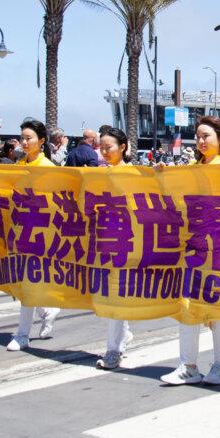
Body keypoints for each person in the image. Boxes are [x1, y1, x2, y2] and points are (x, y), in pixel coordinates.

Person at [160, 115, 220, 386]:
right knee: (188, 306)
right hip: (193, 245)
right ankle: (188, 366)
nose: (201, 141)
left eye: (207, 136)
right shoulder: (190, 169)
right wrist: (161, 175)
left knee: (218, 309)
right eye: (199, 136)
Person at [7, 119, 62, 351]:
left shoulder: (47, 167)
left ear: (41, 141)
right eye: (22, 138)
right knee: (22, 281)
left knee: (28, 282)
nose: (24, 142)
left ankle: (22, 334)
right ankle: (46, 311)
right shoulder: (18, 164)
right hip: (18, 228)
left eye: (29, 138)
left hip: (39, 231)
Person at [95, 127, 137, 369]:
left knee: (117, 295)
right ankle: (123, 335)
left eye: (108, 147)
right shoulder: (98, 173)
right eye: (101, 147)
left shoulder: (131, 173)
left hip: (124, 241)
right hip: (103, 239)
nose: (104, 151)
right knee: (111, 294)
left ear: (122, 147)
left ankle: (114, 349)